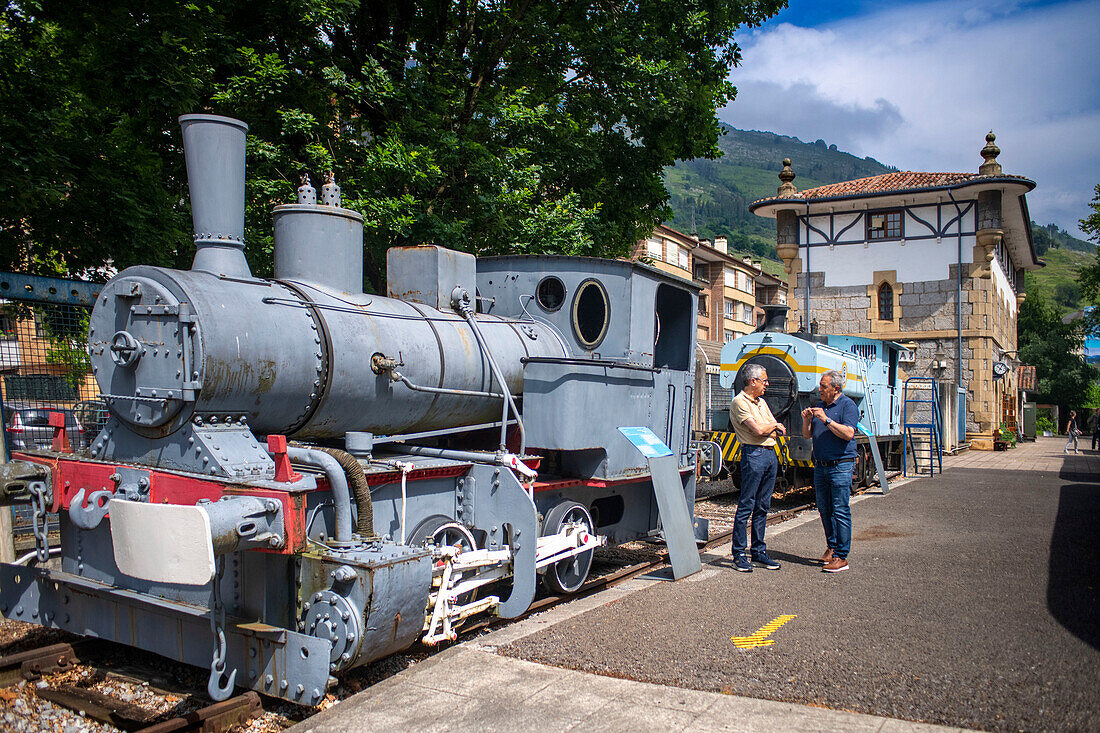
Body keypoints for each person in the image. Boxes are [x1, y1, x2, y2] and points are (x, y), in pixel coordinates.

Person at [729, 363, 786, 572]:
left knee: (763, 505)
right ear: (752, 381)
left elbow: (776, 430)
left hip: (770, 455)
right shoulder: (739, 402)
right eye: (764, 380)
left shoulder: (761, 402)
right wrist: (770, 428)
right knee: (746, 504)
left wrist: (768, 429)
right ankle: (739, 554)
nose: (767, 384)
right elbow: (758, 429)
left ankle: (759, 552)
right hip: (753, 454)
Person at [801, 369, 859, 573]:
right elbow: (807, 435)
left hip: (840, 465)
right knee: (824, 509)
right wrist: (807, 419)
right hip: (821, 465)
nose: (820, 390)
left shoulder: (847, 405)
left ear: (836, 388)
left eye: (824, 386)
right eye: (820, 386)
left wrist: (826, 420)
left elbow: (849, 433)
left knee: (840, 510)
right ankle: (832, 547)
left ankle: (842, 556)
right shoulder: (820, 406)